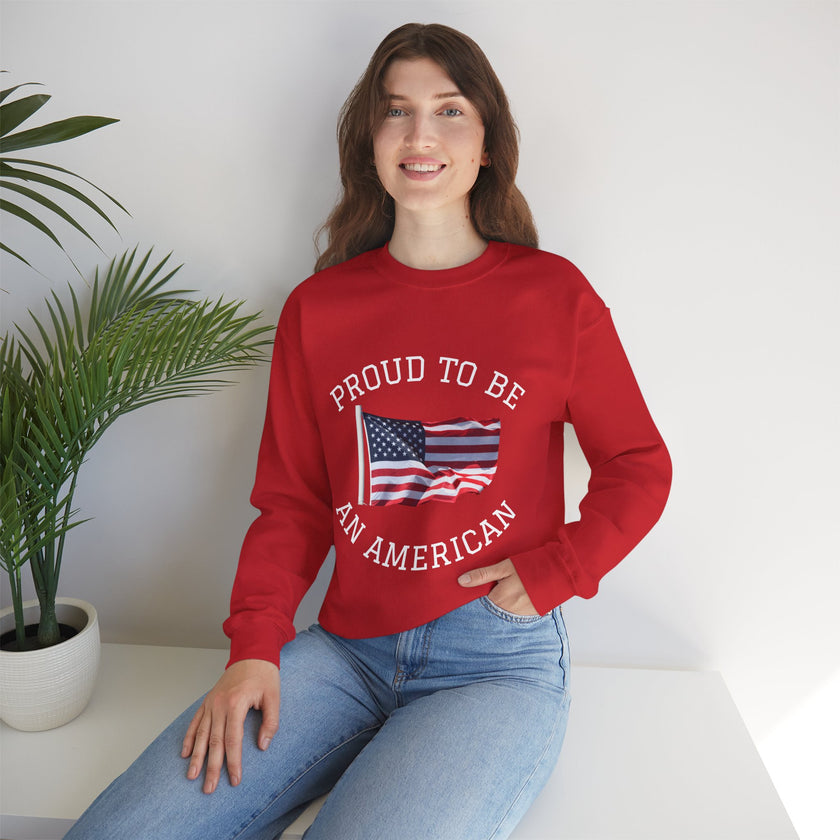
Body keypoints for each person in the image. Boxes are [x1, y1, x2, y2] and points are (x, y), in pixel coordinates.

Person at [65, 22, 671, 840]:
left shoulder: (554, 296)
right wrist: (255, 645)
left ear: (487, 142)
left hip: (492, 661)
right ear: (371, 141)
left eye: (449, 111)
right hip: (345, 649)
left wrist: (558, 567)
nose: (421, 135)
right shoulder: (321, 309)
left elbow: (638, 464)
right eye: (396, 112)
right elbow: (293, 503)